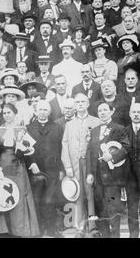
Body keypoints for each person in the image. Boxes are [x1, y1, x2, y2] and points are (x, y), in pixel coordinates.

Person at [0, 103, 40, 237]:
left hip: (17, 166)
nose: (6, 115)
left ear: (15, 113)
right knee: (2, 195)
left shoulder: (21, 129)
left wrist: (27, 157)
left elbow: (29, 150)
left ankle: (20, 230)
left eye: (9, 112)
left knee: (18, 196)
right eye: (4, 113)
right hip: (3, 167)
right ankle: (4, 230)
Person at [85, 102, 129, 238]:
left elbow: (126, 147)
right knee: (101, 209)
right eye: (100, 111)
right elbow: (89, 153)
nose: (102, 113)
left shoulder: (119, 129)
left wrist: (112, 156)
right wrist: (89, 173)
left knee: (113, 210)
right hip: (97, 177)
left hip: (113, 177)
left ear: (111, 111)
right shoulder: (94, 130)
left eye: (105, 110)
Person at [61, 93, 100, 237]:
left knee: (90, 192)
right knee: (77, 193)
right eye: (77, 102)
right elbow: (64, 145)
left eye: (83, 101)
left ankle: (93, 226)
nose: (80, 104)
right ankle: (80, 226)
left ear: (88, 104)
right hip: (75, 163)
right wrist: (68, 166)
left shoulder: (96, 122)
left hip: (90, 163)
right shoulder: (69, 124)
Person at [26, 100, 64, 237]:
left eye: (45, 110)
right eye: (40, 109)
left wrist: (61, 169)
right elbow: (25, 149)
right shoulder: (28, 128)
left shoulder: (57, 127)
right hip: (36, 169)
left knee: (50, 200)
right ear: (36, 111)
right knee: (37, 199)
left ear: (49, 112)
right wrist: (32, 163)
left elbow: (61, 149)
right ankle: (39, 230)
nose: (42, 112)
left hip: (52, 169)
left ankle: (51, 230)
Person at [125, 103, 140, 238]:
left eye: (139, 112)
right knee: (132, 207)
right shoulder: (124, 131)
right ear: (130, 114)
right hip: (130, 176)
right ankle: (134, 234)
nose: (136, 114)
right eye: (134, 112)